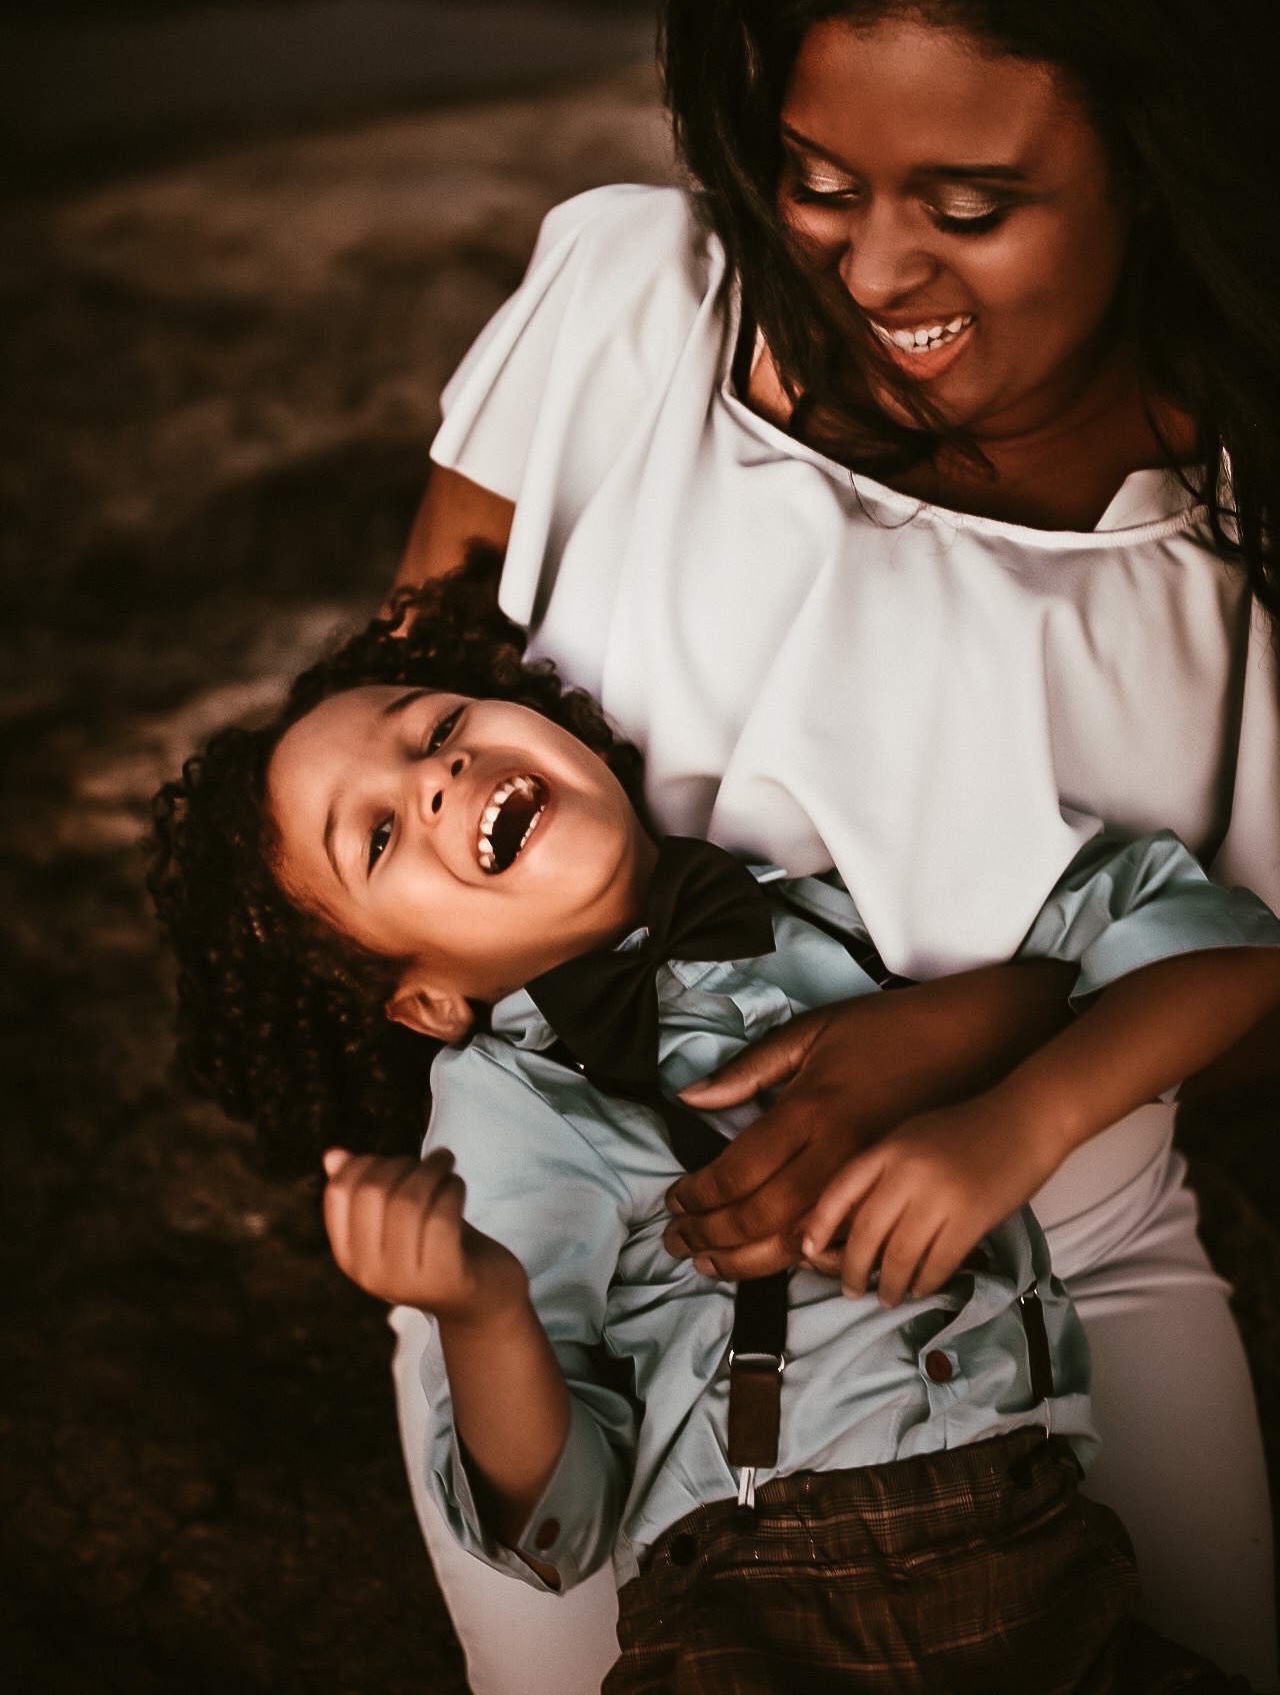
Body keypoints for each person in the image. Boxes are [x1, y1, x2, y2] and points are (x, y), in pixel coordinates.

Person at [386, 0, 1280, 1686]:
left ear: (1160, 156)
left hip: (1062, 1270)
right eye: (818, 182)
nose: (875, 272)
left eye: (972, 208)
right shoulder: (635, 301)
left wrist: (961, 1062)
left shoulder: (1239, 526)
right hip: (598, 1303)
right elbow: (411, 649)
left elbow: (1234, 938)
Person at [149, 561, 1280, 1691]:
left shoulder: (841, 894)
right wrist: (480, 1309)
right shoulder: (504, 1108)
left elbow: (1225, 949)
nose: (434, 776)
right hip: (754, 1611)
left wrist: (1016, 1125)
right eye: (379, 837)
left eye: (433, 726)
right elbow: (560, 1525)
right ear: (425, 1001)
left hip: (1043, 1555)